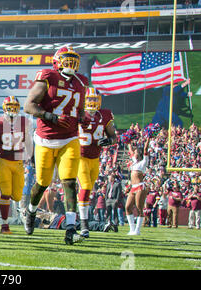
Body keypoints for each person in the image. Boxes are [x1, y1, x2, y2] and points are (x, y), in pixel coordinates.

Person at [23, 46, 89, 245]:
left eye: (73, 60)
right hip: (45, 138)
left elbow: (80, 109)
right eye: (66, 59)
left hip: (70, 138)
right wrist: (50, 116)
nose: (70, 64)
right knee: (42, 183)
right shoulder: (47, 77)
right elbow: (29, 105)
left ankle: (70, 226)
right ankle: (31, 211)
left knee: (69, 181)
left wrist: (83, 118)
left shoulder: (81, 82)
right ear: (57, 61)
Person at [0, 96, 32, 234]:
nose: (12, 109)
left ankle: (4, 201)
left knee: (16, 196)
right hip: (2, 160)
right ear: (4, 108)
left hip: (18, 162)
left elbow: (28, 141)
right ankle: (4, 225)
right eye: (10, 106)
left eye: (15, 107)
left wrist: (31, 156)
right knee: (6, 192)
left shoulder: (24, 122)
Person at [77, 87, 117, 238]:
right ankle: (84, 225)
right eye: (90, 99)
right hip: (80, 157)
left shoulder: (105, 115)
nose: (92, 102)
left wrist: (109, 140)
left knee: (88, 191)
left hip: (95, 158)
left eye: (95, 99)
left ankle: (82, 219)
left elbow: (113, 136)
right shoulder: (78, 114)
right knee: (85, 187)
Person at [125, 136, 150, 235]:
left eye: (135, 153)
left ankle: (137, 230)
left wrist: (148, 138)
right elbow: (130, 149)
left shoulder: (143, 162)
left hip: (140, 187)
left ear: (138, 154)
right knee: (127, 207)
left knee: (139, 207)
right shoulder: (134, 163)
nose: (133, 153)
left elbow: (145, 149)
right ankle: (132, 229)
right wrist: (128, 140)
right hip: (133, 187)